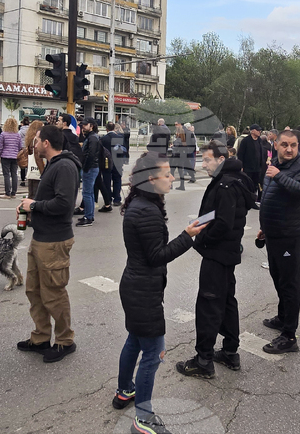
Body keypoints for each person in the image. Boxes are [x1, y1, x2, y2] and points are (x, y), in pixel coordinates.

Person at [114, 152, 208, 433]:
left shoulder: (141, 204)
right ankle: (143, 419)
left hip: (136, 286)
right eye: (166, 174)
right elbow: (157, 256)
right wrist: (188, 236)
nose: (172, 177)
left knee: (134, 341)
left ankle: (124, 391)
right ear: (150, 179)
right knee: (153, 352)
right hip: (143, 291)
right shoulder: (147, 211)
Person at [175, 140, 255, 380]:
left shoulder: (226, 184)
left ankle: (203, 360)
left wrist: (202, 239)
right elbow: (219, 214)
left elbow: (223, 222)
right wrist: (200, 224)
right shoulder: (234, 179)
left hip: (218, 253)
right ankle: (230, 352)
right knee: (227, 301)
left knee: (208, 305)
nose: (204, 164)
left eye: (208, 159)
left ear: (221, 159)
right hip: (227, 252)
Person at [16, 124, 82, 363]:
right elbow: (51, 199)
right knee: (34, 291)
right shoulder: (55, 164)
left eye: (37, 140)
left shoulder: (64, 165)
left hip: (54, 241)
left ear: (46, 143)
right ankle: (41, 337)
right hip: (41, 238)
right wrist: (31, 204)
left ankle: (65, 340)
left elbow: (65, 205)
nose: (33, 144)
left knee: (54, 294)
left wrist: (33, 206)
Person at [257, 130, 300, 354]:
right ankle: (283, 318)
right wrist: (265, 227)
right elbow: (270, 197)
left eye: (293, 145)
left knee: (289, 284)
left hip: (289, 236)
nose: (289, 149)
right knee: (278, 278)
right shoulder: (275, 165)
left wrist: (280, 177)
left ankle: (290, 336)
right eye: (285, 145)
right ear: (276, 145)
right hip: (274, 233)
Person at [78, 118, 103, 226]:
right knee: (90, 192)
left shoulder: (92, 138)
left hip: (90, 168)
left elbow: (91, 154)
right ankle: (89, 215)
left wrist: (86, 167)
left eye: (85, 125)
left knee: (87, 193)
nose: (83, 127)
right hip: (92, 167)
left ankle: (88, 217)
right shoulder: (93, 137)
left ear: (91, 126)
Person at [236, 124, 268, 204]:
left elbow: (262, 153)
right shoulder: (245, 141)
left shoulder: (259, 140)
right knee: (247, 184)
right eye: (258, 130)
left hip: (258, 168)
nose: (259, 132)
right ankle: (246, 199)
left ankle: (253, 200)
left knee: (256, 185)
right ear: (252, 131)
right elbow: (240, 154)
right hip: (248, 167)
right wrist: (241, 166)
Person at [100, 122, 127, 207]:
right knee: (117, 180)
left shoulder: (103, 139)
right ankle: (117, 199)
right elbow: (124, 150)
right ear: (114, 128)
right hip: (117, 162)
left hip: (107, 162)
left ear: (106, 129)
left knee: (107, 181)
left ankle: (108, 198)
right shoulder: (120, 137)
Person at [0, 118, 22, 198]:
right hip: (15, 156)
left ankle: (7, 193)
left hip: (5, 156)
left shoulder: (3, 134)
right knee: (14, 174)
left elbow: (0, 147)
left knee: (6, 175)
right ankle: (14, 193)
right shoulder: (18, 135)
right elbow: (20, 146)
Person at [24, 120, 45, 199]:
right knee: (36, 195)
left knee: (31, 193)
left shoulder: (30, 140)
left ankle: (29, 209)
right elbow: (37, 157)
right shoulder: (36, 140)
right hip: (37, 170)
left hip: (31, 169)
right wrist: (43, 172)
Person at [17, 118, 29, 184]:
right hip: (29, 148)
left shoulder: (20, 131)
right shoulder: (31, 130)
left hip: (22, 148)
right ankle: (29, 176)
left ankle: (23, 179)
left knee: (22, 164)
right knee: (29, 163)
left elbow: (18, 140)